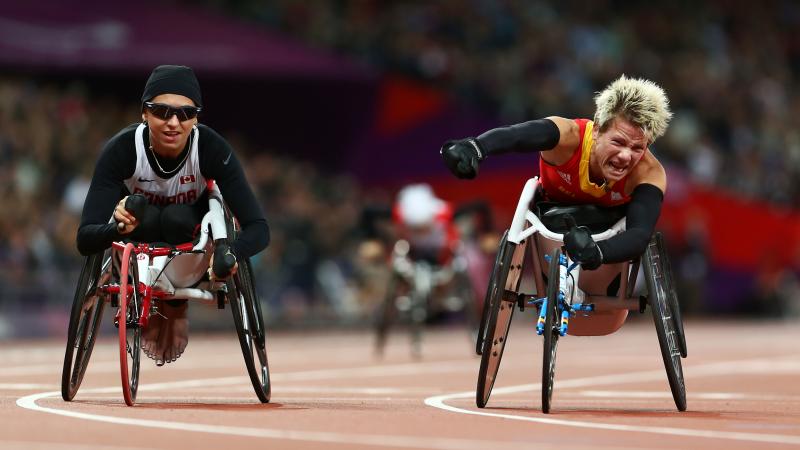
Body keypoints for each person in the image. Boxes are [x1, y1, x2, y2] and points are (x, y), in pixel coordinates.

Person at [76, 65, 269, 365]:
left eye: (185, 114)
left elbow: (259, 228)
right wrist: (116, 229)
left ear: (196, 118)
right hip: (139, 238)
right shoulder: (122, 150)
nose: (173, 123)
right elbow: (85, 238)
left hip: (189, 240)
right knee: (147, 214)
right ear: (144, 113)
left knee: (175, 217)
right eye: (162, 111)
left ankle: (176, 305)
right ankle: (150, 300)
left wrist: (232, 252)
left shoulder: (211, 148)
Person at [440, 75, 672, 269]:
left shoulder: (650, 172)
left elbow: (640, 235)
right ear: (597, 130)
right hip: (551, 215)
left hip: (607, 231)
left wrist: (596, 252)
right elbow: (515, 136)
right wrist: (476, 147)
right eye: (618, 142)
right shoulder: (568, 136)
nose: (626, 156)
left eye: (637, 148)